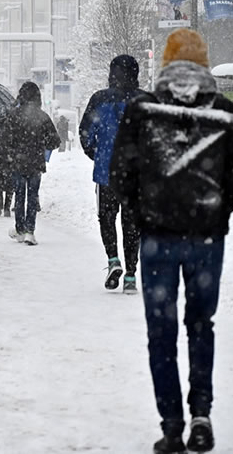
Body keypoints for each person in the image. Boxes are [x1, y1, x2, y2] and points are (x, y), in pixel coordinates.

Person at [109, 29, 233, 454]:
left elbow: (121, 174)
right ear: (205, 64)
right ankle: (202, 415)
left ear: (165, 66)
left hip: (156, 240)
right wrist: (214, 213)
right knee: (200, 326)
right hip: (207, 242)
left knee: (161, 331)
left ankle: (172, 424)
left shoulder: (144, 110)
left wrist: (144, 212)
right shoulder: (223, 111)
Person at [79, 54, 147, 293]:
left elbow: (85, 133)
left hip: (107, 172)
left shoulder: (99, 99)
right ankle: (130, 275)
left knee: (107, 218)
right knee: (132, 224)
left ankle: (112, 260)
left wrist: (96, 154)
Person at [4, 81, 61, 245]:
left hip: (17, 162)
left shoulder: (13, 115)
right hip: (35, 162)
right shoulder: (42, 116)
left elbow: (5, 139)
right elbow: (55, 141)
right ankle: (30, 231)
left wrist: (13, 150)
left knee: (19, 196)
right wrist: (42, 144)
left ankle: (20, 229)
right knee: (33, 196)